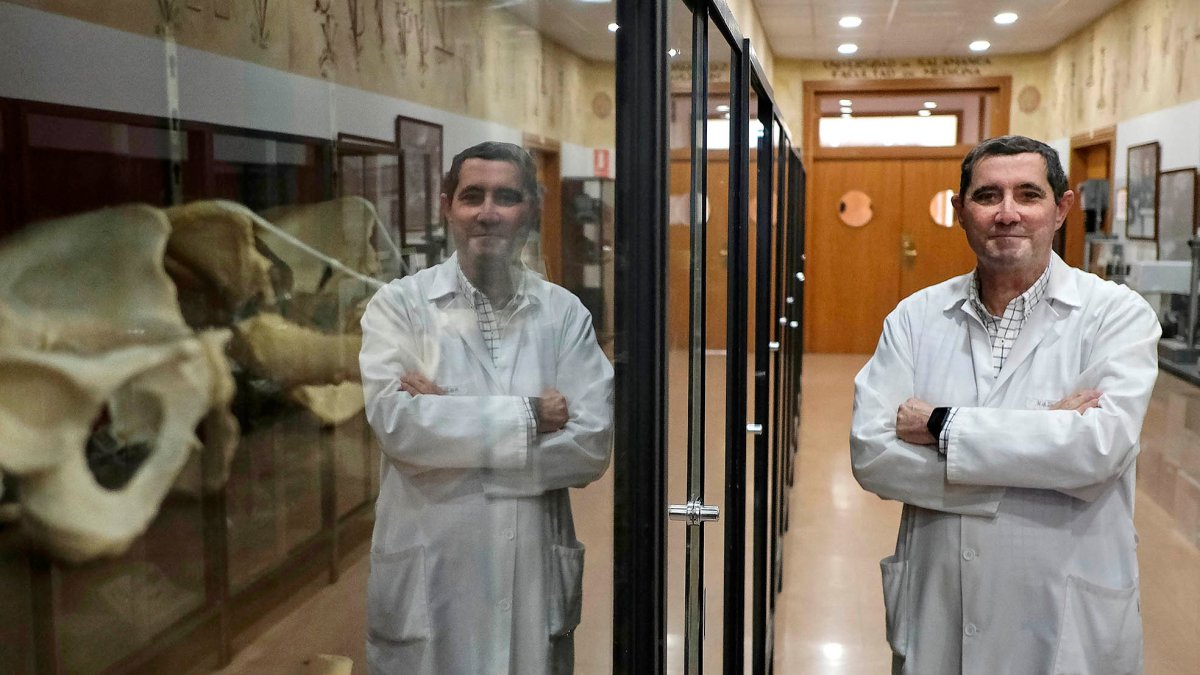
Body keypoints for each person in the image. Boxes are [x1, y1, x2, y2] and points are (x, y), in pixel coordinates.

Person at [850, 135, 1160, 674]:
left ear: (1061, 209)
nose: (1007, 213)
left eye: (1029, 195)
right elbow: (872, 453)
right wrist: (1039, 448)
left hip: (1064, 620)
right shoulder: (915, 318)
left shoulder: (1116, 315)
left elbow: (1100, 450)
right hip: (939, 608)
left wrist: (945, 427)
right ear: (960, 211)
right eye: (988, 195)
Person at [359, 141, 614, 674]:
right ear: (447, 206)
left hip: (530, 578)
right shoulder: (399, 307)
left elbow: (590, 446)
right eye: (472, 196)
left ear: (531, 210)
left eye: (507, 197)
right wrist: (529, 417)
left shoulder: (565, 315)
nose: (489, 212)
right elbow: (398, 427)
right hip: (430, 577)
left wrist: (450, 435)